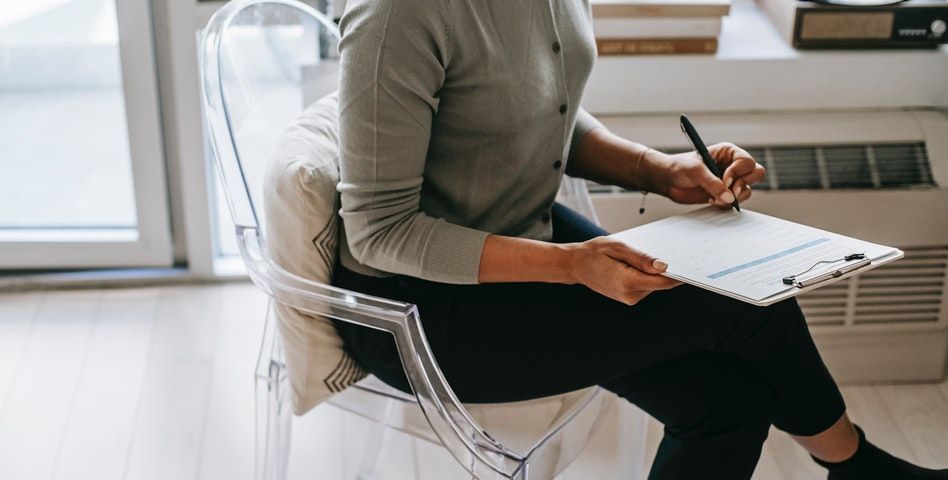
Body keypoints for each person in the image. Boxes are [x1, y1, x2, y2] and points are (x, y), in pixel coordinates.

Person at [329, 0, 948, 478]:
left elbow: (538, 113)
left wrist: (660, 169)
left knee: (727, 405)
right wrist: (573, 266)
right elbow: (381, 231)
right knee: (754, 306)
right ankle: (856, 466)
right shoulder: (397, 16)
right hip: (414, 310)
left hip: (521, 230)